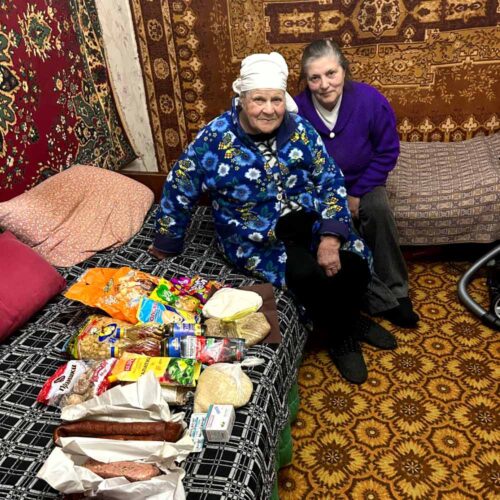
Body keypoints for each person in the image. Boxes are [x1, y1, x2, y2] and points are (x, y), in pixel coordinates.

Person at [150, 52, 396, 384]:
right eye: (259, 100)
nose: (269, 109)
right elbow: (180, 185)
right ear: (242, 100)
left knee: (353, 263)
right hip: (254, 235)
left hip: (307, 219)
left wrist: (329, 237)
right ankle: (343, 335)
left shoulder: (300, 129)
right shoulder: (215, 138)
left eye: (276, 100)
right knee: (307, 273)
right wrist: (168, 240)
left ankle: (349, 318)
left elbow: (330, 179)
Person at [294, 39, 419, 328]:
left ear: (344, 71)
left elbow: (387, 151)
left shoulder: (370, 99)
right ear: (306, 81)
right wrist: (332, 200)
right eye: (315, 78)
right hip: (320, 188)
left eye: (331, 74)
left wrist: (356, 192)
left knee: (378, 210)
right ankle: (373, 299)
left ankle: (397, 291)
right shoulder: (296, 110)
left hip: (364, 180)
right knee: (325, 231)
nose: (324, 84)